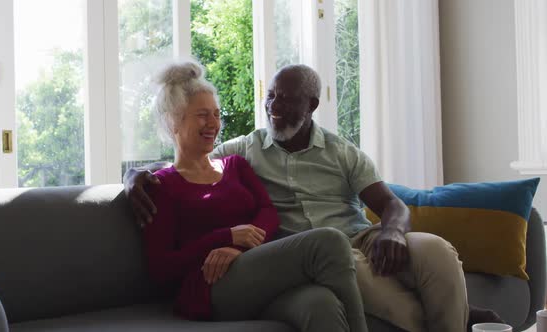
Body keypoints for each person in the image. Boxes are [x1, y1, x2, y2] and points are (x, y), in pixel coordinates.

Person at [126, 64, 503, 332]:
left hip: (362, 237)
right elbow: (188, 161)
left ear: (312, 106)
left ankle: (458, 317)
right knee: (348, 269)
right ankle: (463, 317)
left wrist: (392, 232)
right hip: (317, 255)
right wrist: (132, 175)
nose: (274, 107)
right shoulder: (248, 149)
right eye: (270, 97)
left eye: (287, 100)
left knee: (437, 250)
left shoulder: (339, 152)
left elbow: (391, 205)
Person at [140, 60, 368, 332]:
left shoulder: (234, 165)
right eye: (202, 115)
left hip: (258, 276)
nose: (213, 123)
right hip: (211, 287)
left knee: (321, 305)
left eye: (216, 113)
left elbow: (268, 212)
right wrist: (227, 237)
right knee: (329, 240)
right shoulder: (161, 187)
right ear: (173, 121)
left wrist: (238, 246)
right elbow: (161, 268)